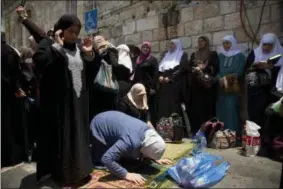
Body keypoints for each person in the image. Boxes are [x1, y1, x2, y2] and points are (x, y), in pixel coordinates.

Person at [32, 14, 94, 185]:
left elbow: (89, 74)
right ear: (61, 30)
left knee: (79, 134)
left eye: (77, 32)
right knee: (65, 137)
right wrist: (57, 49)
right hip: (61, 105)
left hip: (79, 101)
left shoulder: (79, 47)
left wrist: (89, 56)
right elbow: (40, 65)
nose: (74, 35)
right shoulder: (48, 45)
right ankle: (64, 174)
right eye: (71, 31)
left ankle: (82, 169)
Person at [90, 111, 173, 185]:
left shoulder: (148, 132)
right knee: (103, 163)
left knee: (126, 154)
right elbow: (106, 159)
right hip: (99, 127)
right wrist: (126, 174)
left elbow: (152, 144)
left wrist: (155, 156)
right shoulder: (129, 141)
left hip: (112, 119)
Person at [1, 32, 29, 167]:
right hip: (11, 96)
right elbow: (16, 73)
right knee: (12, 126)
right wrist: (16, 88)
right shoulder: (10, 51)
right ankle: (14, 157)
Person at [245, 33, 283, 129]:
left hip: (274, 91)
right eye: (264, 44)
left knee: (273, 117)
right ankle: (256, 139)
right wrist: (256, 65)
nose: (266, 47)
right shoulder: (255, 53)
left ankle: (271, 141)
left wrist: (272, 68)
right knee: (256, 114)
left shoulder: (280, 54)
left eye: (269, 45)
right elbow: (247, 68)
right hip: (257, 91)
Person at [155, 39, 189, 138]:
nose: (171, 45)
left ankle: (176, 131)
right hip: (164, 86)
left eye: (173, 44)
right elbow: (161, 69)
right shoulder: (167, 55)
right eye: (170, 44)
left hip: (175, 85)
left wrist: (170, 78)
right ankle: (164, 131)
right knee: (164, 107)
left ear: (177, 45)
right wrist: (160, 77)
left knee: (174, 108)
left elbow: (182, 68)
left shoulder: (183, 54)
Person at [186, 36, 218, 134]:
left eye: (202, 41)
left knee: (207, 108)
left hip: (207, 86)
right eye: (198, 41)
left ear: (206, 43)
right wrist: (195, 69)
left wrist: (203, 68)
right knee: (196, 108)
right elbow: (188, 68)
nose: (200, 43)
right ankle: (197, 130)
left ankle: (209, 130)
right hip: (196, 86)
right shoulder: (194, 55)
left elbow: (215, 68)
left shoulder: (212, 54)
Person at [216, 35, 246, 134]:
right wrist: (219, 78)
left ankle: (233, 132)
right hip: (221, 87)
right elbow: (216, 70)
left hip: (232, 87)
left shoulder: (240, 56)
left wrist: (228, 78)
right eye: (224, 43)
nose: (226, 45)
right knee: (221, 109)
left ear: (232, 43)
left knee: (231, 108)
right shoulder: (220, 56)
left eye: (228, 43)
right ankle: (222, 132)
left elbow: (240, 71)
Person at [89, 35, 120, 119]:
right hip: (97, 91)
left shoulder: (110, 51)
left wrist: (109, 52)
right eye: (96, 40)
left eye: (100, 39)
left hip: (109, 89)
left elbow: (115, 65)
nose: (99, 41)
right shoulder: (91, 53)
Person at [133, 41, 159, 124]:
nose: (145, 49)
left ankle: (150, 124)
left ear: (150, 49)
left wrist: (152, 87)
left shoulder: (152, 59)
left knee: (148, 106)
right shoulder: (137, 59)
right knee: (139, 105)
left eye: (147, 47)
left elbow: (155, 74)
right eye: (143, 47)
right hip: (138, 86)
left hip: (148, 87)